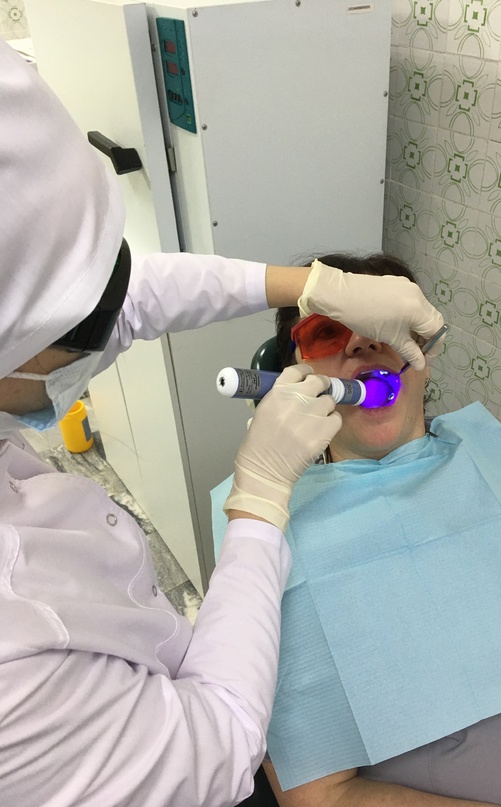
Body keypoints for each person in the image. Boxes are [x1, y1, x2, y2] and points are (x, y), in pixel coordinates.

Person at [0, 42, 446, 807]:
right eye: (330, 334)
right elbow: (219, 753)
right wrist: (260, 498)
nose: (361, 352)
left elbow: (115, 298)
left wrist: (312, 284)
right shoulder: (17, 670)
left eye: (382, 343)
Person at [221, 253, 501, 807]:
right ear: (294, 379)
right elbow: (318, 795)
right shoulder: (267, 534)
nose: (360, 344)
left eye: (388, 326)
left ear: (424, 352)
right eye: (328, 331)